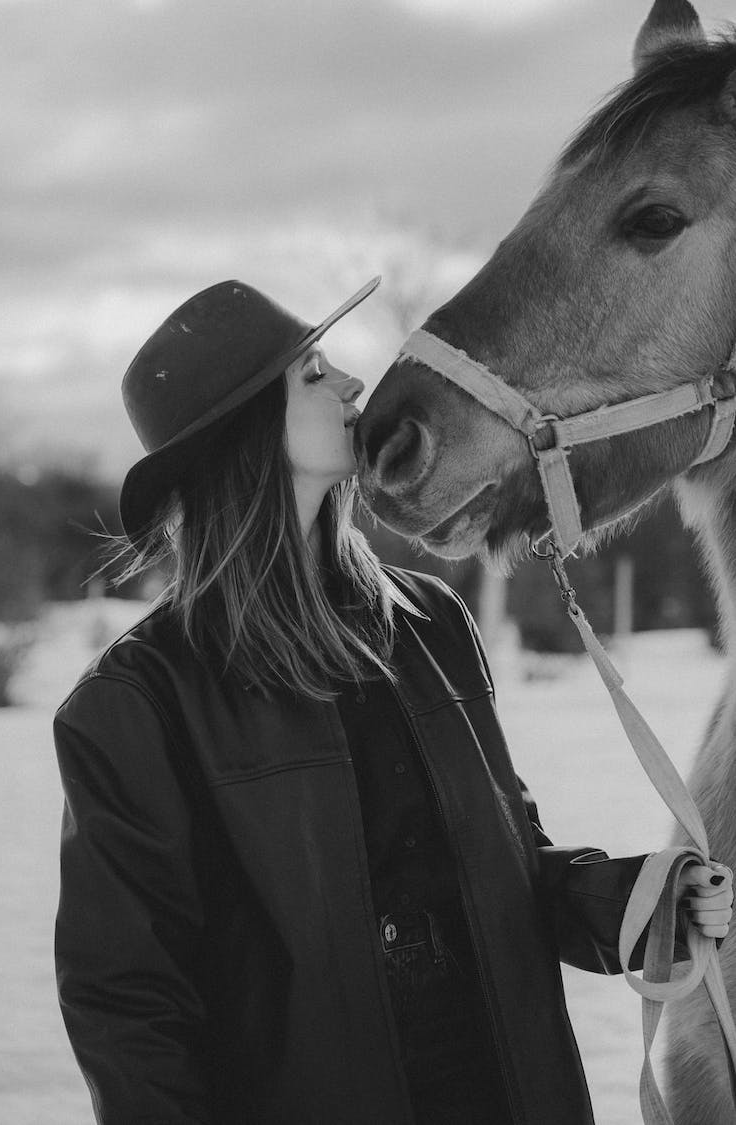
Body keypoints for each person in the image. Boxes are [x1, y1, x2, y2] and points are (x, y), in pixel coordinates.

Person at [54, 276, 733, 1125]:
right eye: (311, 373)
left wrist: (640, 902)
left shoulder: (429, 621)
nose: (350, 384)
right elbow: (129, 1006)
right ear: (242, 430)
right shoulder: (135, 702)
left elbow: (510, 873)